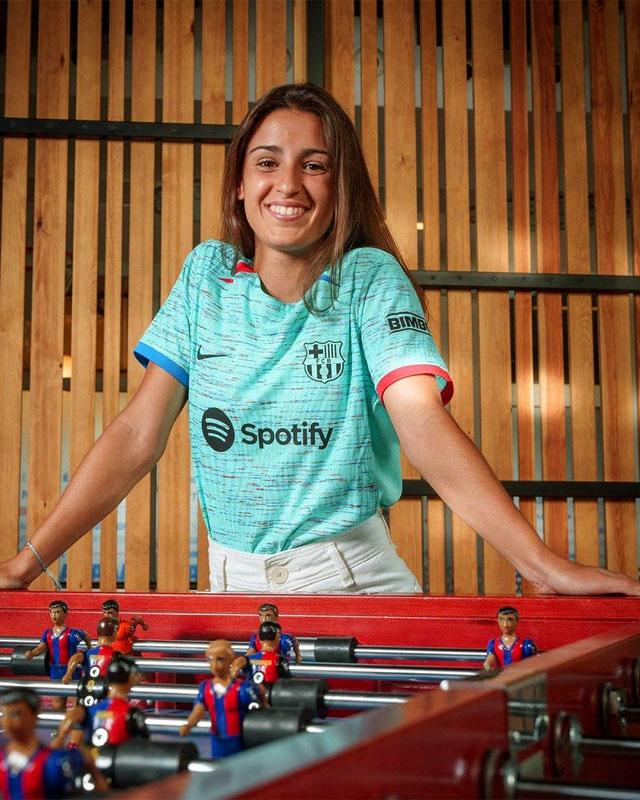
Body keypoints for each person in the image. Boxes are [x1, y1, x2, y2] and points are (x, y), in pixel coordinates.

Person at [0, 82, 638, 597]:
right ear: (239, 184)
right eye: (267, 162)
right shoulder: (205, 278)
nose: (288, 184)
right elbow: (138, 436)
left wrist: (540, 564)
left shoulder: (369, 279)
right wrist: (25, 565)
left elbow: (422, 423)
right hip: (230, 586)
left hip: (349, 579)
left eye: (314, 165)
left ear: (340, 186)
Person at [180, 639, 263, 759]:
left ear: (230, 660)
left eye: (220, 659)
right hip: (217, 740)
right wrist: (189, 724)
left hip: (239, 741)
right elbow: (199, 710)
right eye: (210, 659)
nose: (214, 665)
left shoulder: (242, 688)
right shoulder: (206, 688)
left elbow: (258, 714)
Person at [0, 687, 88, 798]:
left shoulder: (55, 761)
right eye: (3, 714)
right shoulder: (3, 759)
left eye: (15, 714)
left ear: (34, 715)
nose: (7, 722)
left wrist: (64, 733)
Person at [24, 600, 89, 710]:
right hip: (55, 671)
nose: (54, 615)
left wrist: (89, 649)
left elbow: (86, 636)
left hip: (72, 671)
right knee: (58, 704)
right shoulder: (47, 634)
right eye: (51, 612)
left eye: (58, 612)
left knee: (77, 703)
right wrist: (32, 653)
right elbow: (42, 647)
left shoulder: (72, 634)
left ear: (65, 613)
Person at [61, 616, 117, 682]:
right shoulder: (116, 655)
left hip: (88, 686)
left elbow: (76, 658)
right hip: (107, 686)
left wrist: (68, 674)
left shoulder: (88, 654)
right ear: (114, 633)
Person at [483, 605, 537, 670]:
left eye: (510, 620)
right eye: (501, 619)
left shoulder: (526, 644)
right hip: (502, 675)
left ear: (517, 621)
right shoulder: (493, 643)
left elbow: (532, 665)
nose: (505, 624)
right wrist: (488, 664)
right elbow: (490, 659)